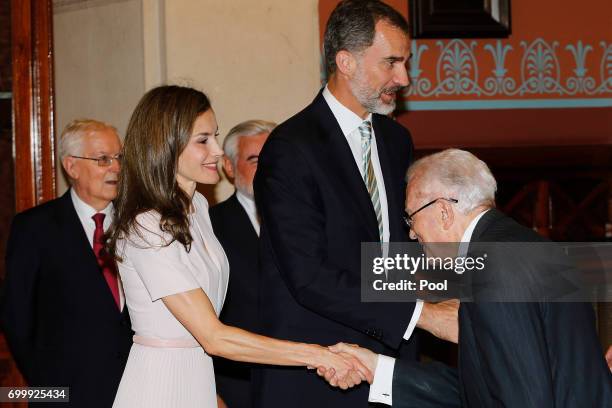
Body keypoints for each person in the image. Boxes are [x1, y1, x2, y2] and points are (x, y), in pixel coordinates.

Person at [108, 85, 371, 408]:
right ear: (166, 145)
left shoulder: (199, 208)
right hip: (162, 383)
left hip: (199, 373)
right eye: (203, 140)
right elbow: (214, 336)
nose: (217, 152)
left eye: (215, 137)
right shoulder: (145, 224)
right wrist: (317, 354)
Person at [252, 1, 457, 407]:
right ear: (345, 61)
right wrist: (424, 316)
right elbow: (309, 276)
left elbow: (390, 250)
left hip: (390, 366)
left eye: (405, 63)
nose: (404, 77)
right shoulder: (291, 148)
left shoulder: (396, 140)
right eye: (392, 63)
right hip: (320, 369)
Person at [333, 148, 612, 407]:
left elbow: (523, 399)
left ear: (443, 211)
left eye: (410, 218)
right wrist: (378, 369)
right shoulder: (528, 248)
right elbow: (490, 390)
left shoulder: (493, 268)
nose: (411, 233)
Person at [1, 119, 133, 407]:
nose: (116, 167)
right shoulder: (35, 228)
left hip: (137, 387)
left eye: (119, 158)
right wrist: (50, 385)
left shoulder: (139, 224)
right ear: (71, 166)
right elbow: (17, 317)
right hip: (66, 394)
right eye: (102, 159)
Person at [211, 119, 275, 408]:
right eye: (254, 160)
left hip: (306, 380)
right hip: (236, 386)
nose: (267, 168)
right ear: (228, 166)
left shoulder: (312, 220)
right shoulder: (208, 227)